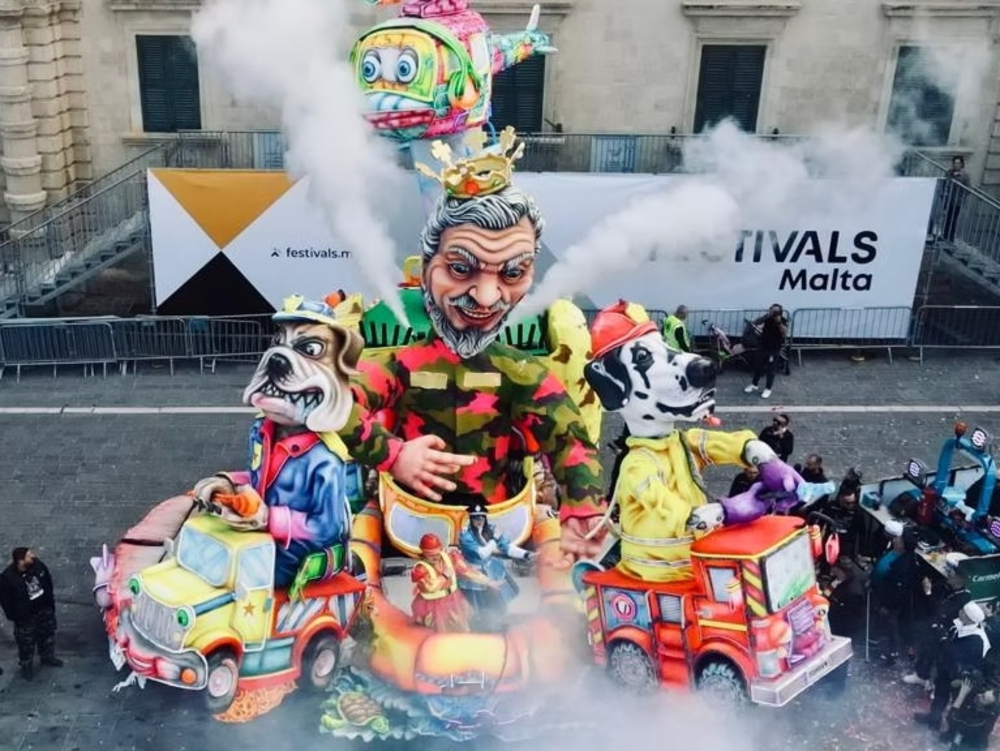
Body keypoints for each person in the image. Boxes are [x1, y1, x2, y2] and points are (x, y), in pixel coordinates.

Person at [338, 130, 607, 570]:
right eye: (461, 269)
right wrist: (393, 454)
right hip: (410, 528)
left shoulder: (524, 374)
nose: (485, 297)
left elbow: (569, 439)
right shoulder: (400, 365)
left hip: (503, 528)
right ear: (428, 268)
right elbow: (335, 401)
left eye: (512, 273)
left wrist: (583, 509)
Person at [914, 601, 991, 733]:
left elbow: (956, 655)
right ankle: (934, 719)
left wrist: (944, 639)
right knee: (940, 694)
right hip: (947, 669)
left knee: (958, 704)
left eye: (963, 611)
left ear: (969, 618)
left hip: (962, 677)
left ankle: (952, 732)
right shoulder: (959, 625)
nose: (960, 611)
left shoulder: (977, 639)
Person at [457, 504, 535, 623]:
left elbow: (506, 548)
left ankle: (497, 620)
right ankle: (480, 623)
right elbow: (482, 553)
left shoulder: (491, 530)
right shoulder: (465, 535)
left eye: (481, 518)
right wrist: (494, 539)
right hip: (474, 573)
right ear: (471, 519)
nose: (479, 522)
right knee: (477, 604)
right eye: (475, 519)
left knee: (498, 601)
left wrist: (526, 554)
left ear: (485, 518)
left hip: (491, 569)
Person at [410, 533, 496, 633]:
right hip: (432, 605)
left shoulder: (450, 558)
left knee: (459, 627)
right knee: (436, 631)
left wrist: (487, 581)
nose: (435, 557)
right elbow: (431, 587)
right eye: (430, 554)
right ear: (423, 552)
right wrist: (445, 576)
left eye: (437, 553)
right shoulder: (420, 569)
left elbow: (466, 571)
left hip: (453, 600)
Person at [0, 548, 63, 679]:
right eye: (28, 556)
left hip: (44, 610)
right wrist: (15, 616)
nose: (33, 557)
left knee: (47, 634)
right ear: (21, 561)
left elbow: (47, 581)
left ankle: (47, 656)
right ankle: (26, 665)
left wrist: (49, 602)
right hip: (25, 617)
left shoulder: (38, 565)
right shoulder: (8, 578)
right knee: (25, 643)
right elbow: (5, 600)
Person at [870, 522, 920, 664]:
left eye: (899, 538)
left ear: (903, 545)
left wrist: (886, 605)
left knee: (892, 627)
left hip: (889, 601)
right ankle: (874, 640)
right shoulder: (892, 549)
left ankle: (892, 653)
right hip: (879, 590)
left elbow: (897, 591)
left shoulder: (902, 567)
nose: (896, 538)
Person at [744, 304, 788, 399]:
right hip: (763, 346)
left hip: (774, 348)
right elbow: (756, 324)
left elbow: (784, 332)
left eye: (775, 311)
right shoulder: (766, 318)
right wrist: (764, 318)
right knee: (758, 366)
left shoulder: (782, 320)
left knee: (770, 369)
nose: (773, 312)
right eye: (771, 310)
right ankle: (754, 384)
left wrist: (779, 322)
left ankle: (768, 388)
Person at [941, 156, 971, 243]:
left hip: (957, 201)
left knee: (953, 220)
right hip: (948, 199)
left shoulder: (965, 176)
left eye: (958, 163)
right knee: (946, 218)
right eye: (954, 163)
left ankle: (950, 238)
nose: (956, 165)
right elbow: (944, 183)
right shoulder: (949, 172)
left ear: (961, 164)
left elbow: (968, 189)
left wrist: (961, 196)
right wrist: (944, 193)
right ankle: (944, 236)